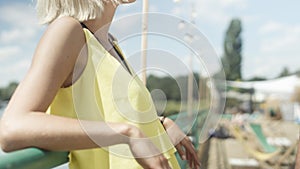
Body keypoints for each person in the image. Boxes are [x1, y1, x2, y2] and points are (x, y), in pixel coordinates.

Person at [0, 0, 200, 169]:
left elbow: (109, 109)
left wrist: (160, 123)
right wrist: (126, 134)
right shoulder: (68, 31)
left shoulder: (109, 42)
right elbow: (12, 127)